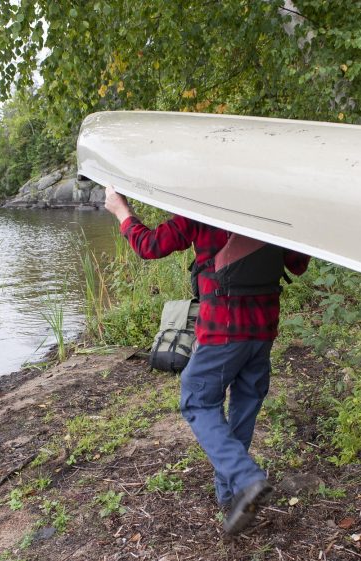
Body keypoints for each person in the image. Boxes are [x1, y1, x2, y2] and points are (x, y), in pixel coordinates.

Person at [103, 185, 311, 534]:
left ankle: (245, 479)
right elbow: (298, 264)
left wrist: (121, 211)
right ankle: (233, 498)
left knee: (197, 401)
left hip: (221, 332)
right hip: (262, 332)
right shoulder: (272, 213)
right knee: (243, 409)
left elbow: (149, 246)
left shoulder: (203, 210)